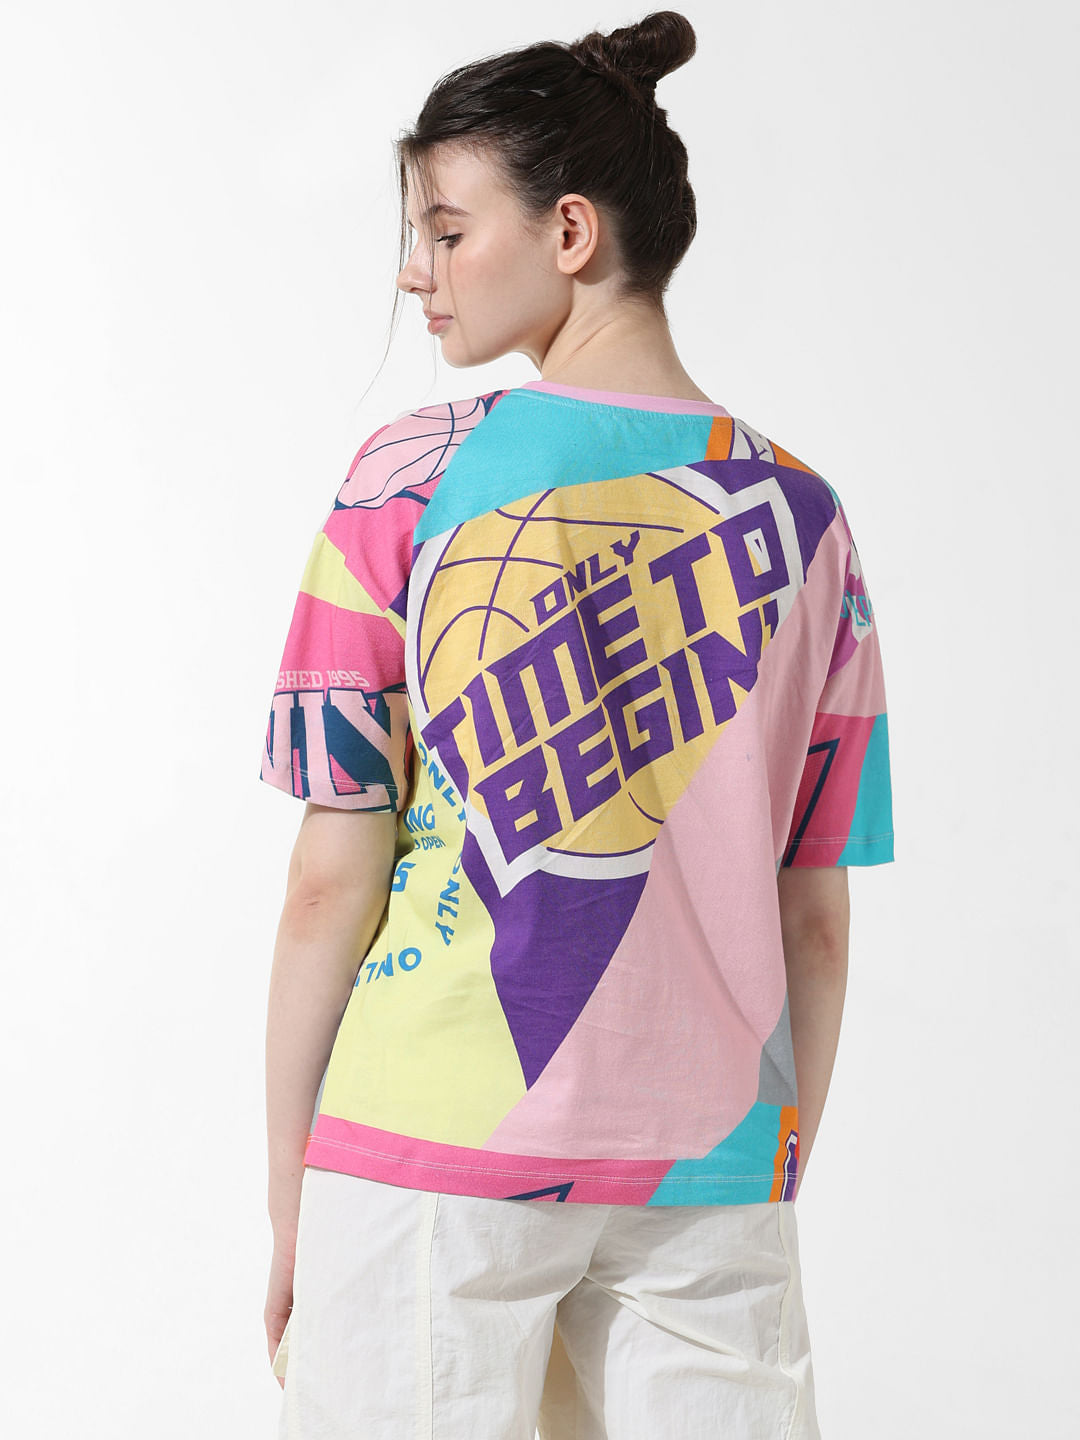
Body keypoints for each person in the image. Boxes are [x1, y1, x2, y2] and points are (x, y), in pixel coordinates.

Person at [258, 11, 894, 1438]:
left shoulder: (411, 480)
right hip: (710, 1166)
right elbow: (814, 915)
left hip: (427, 1146)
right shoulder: (804, 516)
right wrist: (760, 1160)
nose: (414, 272)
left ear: (568, 232)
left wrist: (296, 1193)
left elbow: (326, 881)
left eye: (445, 229)